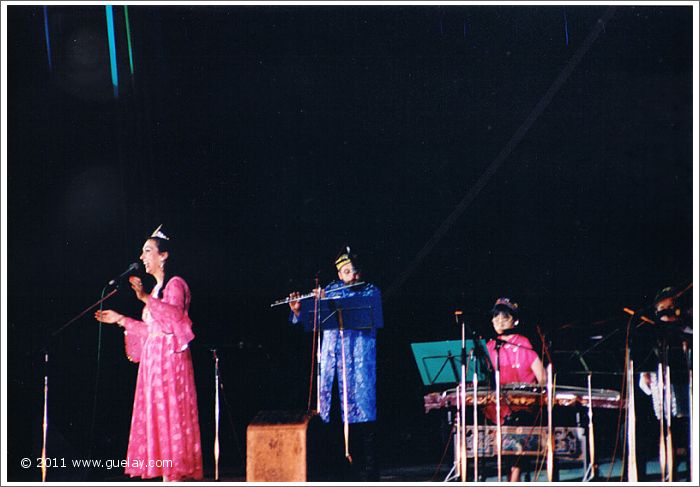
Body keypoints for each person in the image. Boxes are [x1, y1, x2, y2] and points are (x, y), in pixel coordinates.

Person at [95, 225, 203, 482]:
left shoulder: (175, 285)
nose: (142, 257)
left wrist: (144, 297)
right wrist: (121, 319)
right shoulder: (155, 291)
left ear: (163, 255)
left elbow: (174, 319)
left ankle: (173, 476)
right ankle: (166, 475)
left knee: (170, 416)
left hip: (170, 363)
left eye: (147, 251)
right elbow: (150, 331)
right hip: (154, 365)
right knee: (156, 418)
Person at [288, 248, 382, 481]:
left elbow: (368, 314)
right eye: (346, 272)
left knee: (362, 412)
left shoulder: (370, 290)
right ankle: (334, 467)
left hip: (358, 362)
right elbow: (311, 320)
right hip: (332, 362)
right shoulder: (329, 289)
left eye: (354, 271)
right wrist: (300, 310)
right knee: (330, 414)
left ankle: (367, 468)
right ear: (340, 275)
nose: (351, 276)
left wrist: (330, 300)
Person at [484, 297, 546, 482]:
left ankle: (514, 479)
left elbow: (542, 377)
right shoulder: (489, 346)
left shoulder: (523, 344)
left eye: (505, 317)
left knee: (516, 425)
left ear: (515, 321)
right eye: (495, 317)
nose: (499, 320)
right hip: (496, 409)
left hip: (522, 408)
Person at [635, 285, 691, 481]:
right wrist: (646, 375)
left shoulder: (688, 331)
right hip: (664, 394)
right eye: (661, 311)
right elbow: (645, 370)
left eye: (669, 309)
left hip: (687, 391)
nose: (665, 315)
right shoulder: (653, 335)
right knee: (666, 433)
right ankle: (670, 473)